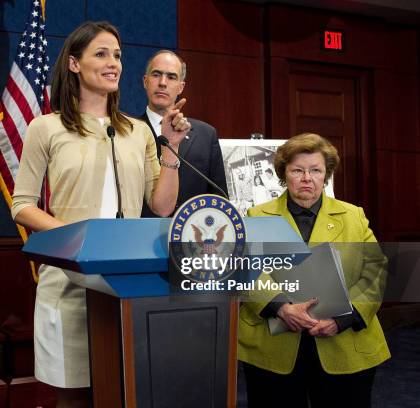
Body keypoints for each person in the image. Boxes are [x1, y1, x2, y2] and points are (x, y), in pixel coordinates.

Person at [10, 22, 189, 407]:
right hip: (70, 280)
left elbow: (161, 206)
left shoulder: (137, 131)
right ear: (74, 64)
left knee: (125, 391)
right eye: (102, 54)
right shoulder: (47, 127)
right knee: (73, 397)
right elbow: (22, 205)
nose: (114, 64)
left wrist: (171, 149)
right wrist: (80, 240)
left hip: (129, 283)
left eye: (118, 56)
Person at [238, 133, 390, 408]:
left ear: (326, 175)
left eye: (315, 170)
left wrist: (342, 318)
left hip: (344, 342)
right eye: (297, 170)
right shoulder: (256, 216)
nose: (307, 178)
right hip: (274, 346)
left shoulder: (354, 215)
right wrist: (280, 307)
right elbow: (246, 268)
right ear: (284, 174)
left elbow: (375, 271)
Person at [139, 50, 227, 217]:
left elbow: (219, 199)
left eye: (171, 77)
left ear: (181, 87)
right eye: (156, 74)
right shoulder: (129, 131)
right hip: (143, 235)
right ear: (145, 81)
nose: (163, 83)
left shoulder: (206, 135)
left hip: (193, 236)